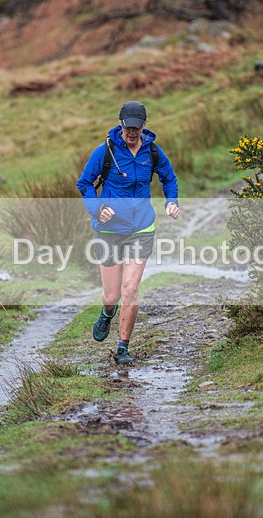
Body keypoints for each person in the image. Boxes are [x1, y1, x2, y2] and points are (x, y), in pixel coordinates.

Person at [76, 101, 180, 364]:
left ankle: (122, 347)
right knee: (112, 295)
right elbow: (85, 183)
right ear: (121, 124)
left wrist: (172, 200)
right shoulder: (106, 151)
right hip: (109, 230)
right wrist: (97, 209)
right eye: (128, 127)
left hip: (141, 228)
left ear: (144, 125)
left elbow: (169, 178)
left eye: (137, 127)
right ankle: (107, 312)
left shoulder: (152, 152)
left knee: (131, 288)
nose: (132, 132)